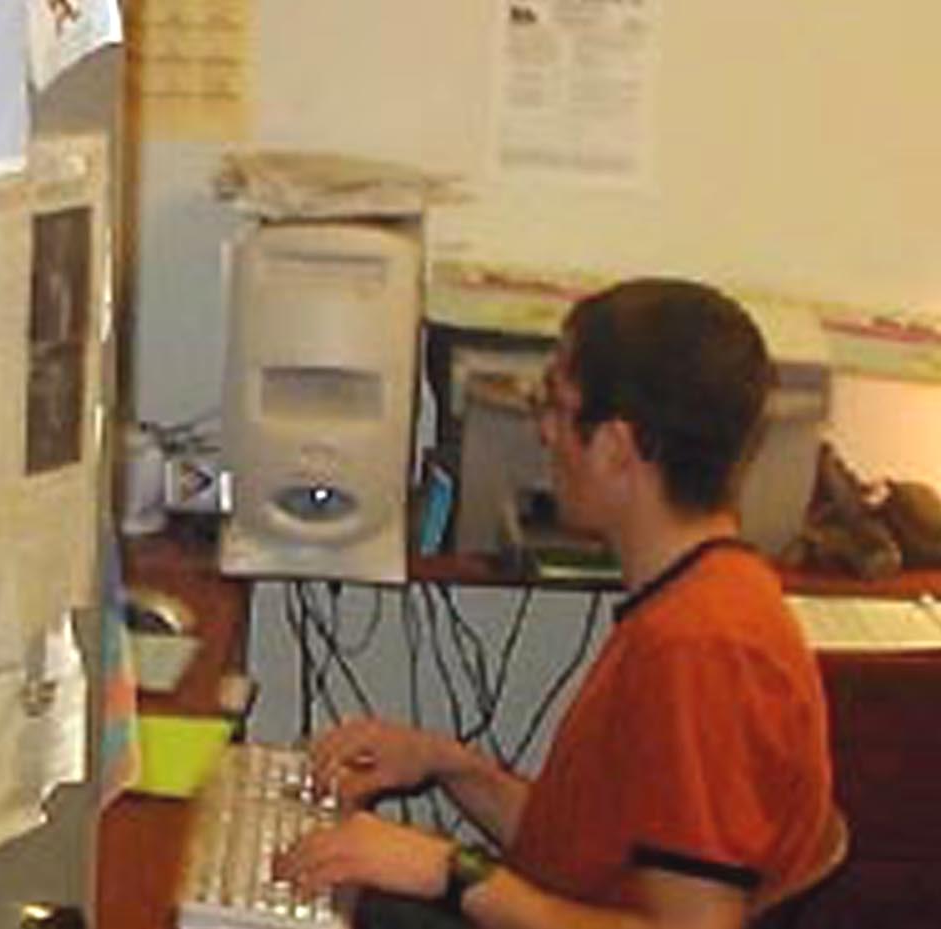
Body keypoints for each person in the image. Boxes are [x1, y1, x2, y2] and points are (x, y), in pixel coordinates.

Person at [280, 279, 835, 929]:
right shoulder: (701, 595)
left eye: (557, 406)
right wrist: (448, 762)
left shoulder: (700, 649)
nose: (543, 431)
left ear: (616, 448)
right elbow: (581, 854)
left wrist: (454, 870)